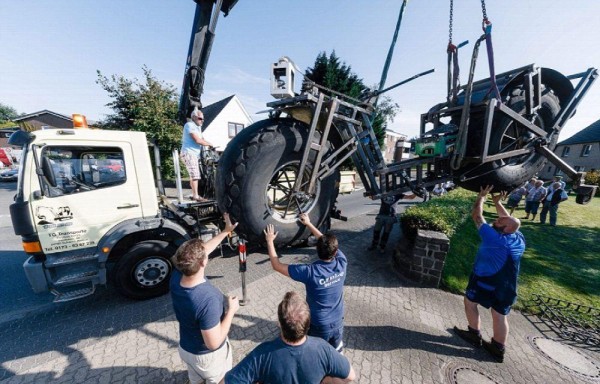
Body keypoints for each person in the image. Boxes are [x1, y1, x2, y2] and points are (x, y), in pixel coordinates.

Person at [453, 186, 525, 363]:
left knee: (470, 302)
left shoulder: (494, 238)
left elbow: (477, 216)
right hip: (507, 285)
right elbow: (509, 221)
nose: (497, 220)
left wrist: (482, 198)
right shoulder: (518, 237)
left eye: (500, 221)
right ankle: (498, 348)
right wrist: (498, 203)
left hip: (487, 280)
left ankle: (473, 334)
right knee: (500, 314)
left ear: (505, 228)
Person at [222, 291, 356, 384]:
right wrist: (327, 380)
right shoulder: (322, 348)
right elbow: (351, 376)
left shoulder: (262, 355)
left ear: (279, 323)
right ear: (308, 323)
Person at [170, 213, 239, 384]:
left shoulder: (177, 276)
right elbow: (213, 343)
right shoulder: (206, 298)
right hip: (207, 358)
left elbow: (202, 252)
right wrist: (231, 311)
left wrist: (225, 231)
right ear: (202, 263)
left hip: (187, 349)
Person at [264, 214, 347, 352]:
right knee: (337, 351)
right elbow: (325, 242)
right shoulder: (342, 262)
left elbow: (276, 265)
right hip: (338, 320)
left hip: (319, 324)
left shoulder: (310, 272)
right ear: (336, 251)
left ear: (316, 249)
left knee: (316, 352)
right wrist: (309, 224)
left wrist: (269, 241)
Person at [181, 108, 214, 202]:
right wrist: (210, 144)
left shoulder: (198, 128)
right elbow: (198, 140)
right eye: (200, 118)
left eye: (203, 119)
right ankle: (196, 195)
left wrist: (208, 144)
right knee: (195, 175)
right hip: (188, 153)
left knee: (193, 175)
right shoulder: (189, 125)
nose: (202, 120)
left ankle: (194, 194)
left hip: (194, 154)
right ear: (194, 117)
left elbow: (202, 139)